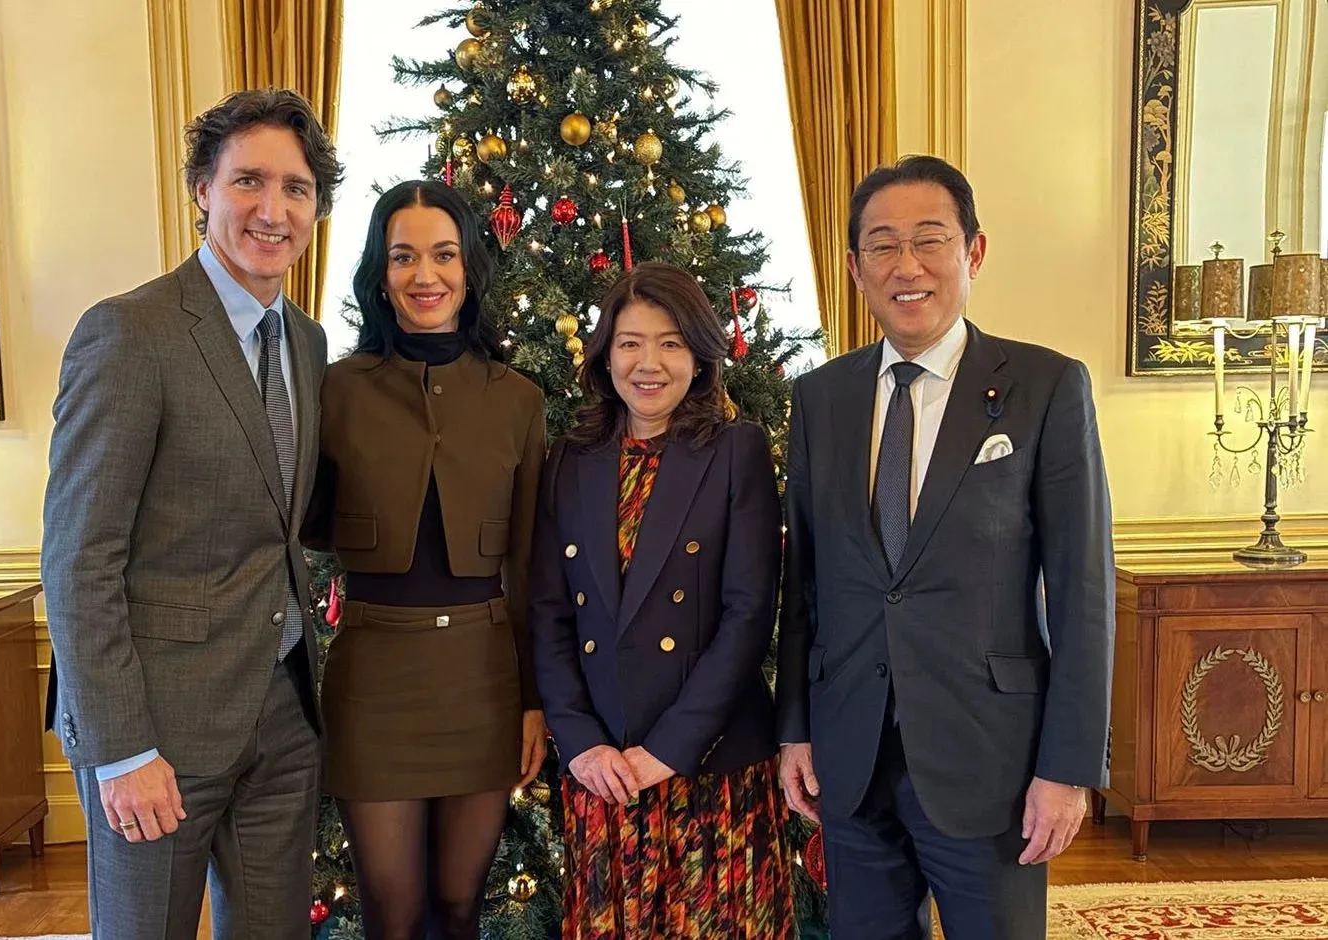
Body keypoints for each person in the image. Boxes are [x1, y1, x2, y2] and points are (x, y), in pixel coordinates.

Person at [775, 155, 1115, 939]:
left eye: (930, 240)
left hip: (986, 761)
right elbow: (808, 584)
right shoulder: (820, 398)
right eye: (882, 245)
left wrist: (1067, 769)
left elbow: (1082, 594)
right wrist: (795, 726)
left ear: (974, 253)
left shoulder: (1046, 387)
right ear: (856, 267)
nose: (907, 265)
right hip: (851, 756)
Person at [42, 88, 342, 939]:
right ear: (202, 189)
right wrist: (123, 748)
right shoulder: (130, 333)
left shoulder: (310, 344)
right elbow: (78, 557)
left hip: (283, 719)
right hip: (158, 728)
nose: (272, 209)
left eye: (296, 189)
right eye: (249, 180)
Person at [300, 180, 547, 940]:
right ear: (381, 273)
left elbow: (530, 566)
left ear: (469, 267)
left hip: (482, 679)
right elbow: (306, 527)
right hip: (374, 678)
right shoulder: (336, 388)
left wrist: (533, 699)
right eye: (403, 257)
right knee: (395, 914)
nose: (425, 275)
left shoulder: (518, 399)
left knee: (457, 905)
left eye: (443, 255)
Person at [529, 261, 794, 939]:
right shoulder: (572, 458)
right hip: (605, 773)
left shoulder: (736, 451)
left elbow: (747, 614)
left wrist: (670, 749)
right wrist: (581, 743)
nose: (649, 362)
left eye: (670, 342)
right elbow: (552, 614)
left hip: (709, 768)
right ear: (605, 356)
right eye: (629, 343)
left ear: (700, 356)